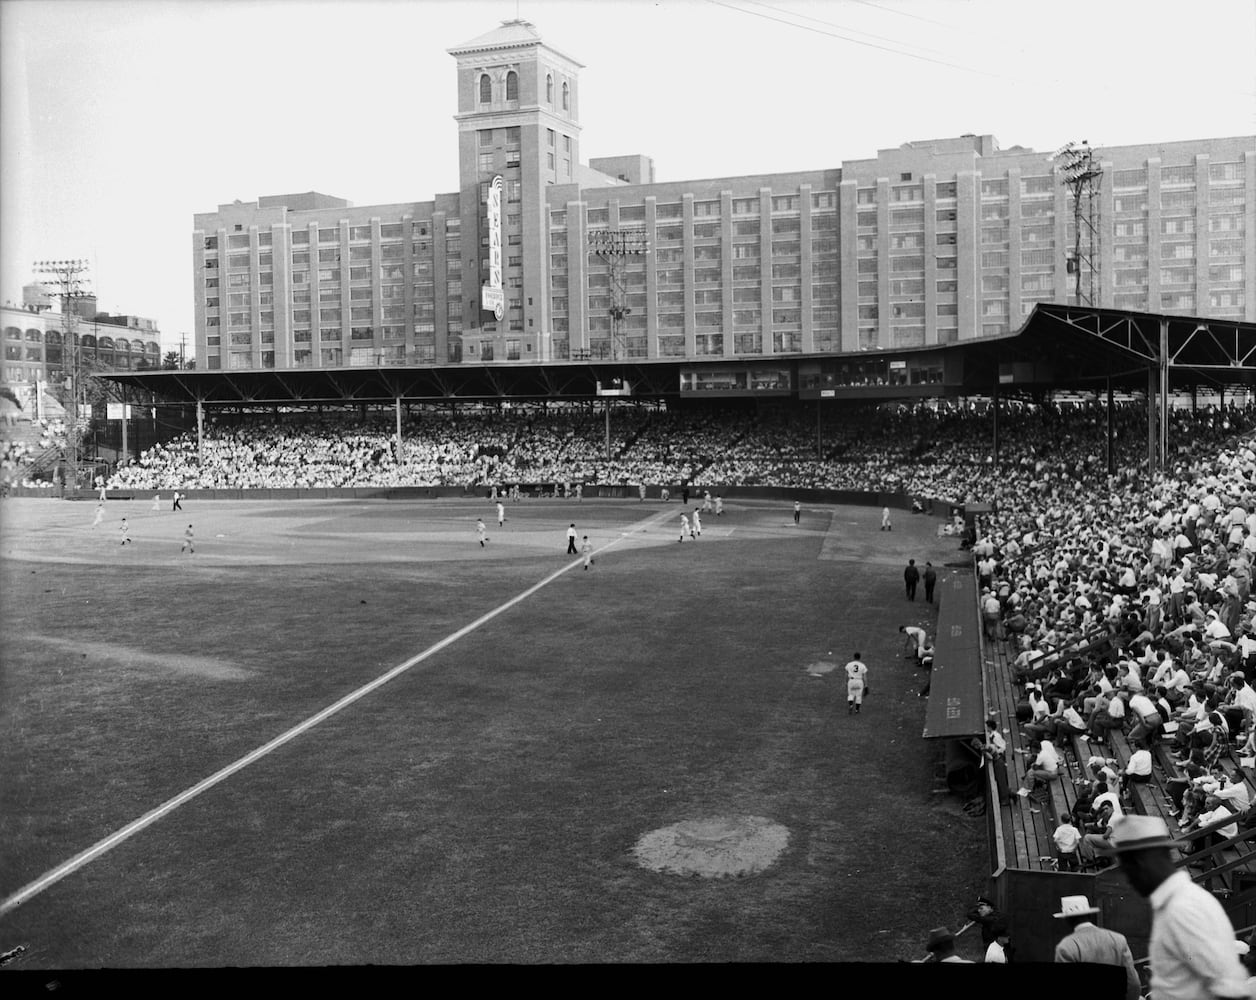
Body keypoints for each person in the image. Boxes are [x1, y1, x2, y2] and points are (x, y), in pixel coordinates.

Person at [1103, 814, 1251, 999]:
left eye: (1127, 868)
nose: (1129, 879)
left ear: (1141, 862)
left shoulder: (1182, 908)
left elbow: (1232, 991)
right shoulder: (1178, 902)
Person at [1052, 895, 1140, 1000]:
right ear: (1089, 915)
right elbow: (1133, 984)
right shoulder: (1118, 939)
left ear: (1067, 920)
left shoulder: (1066, 947)